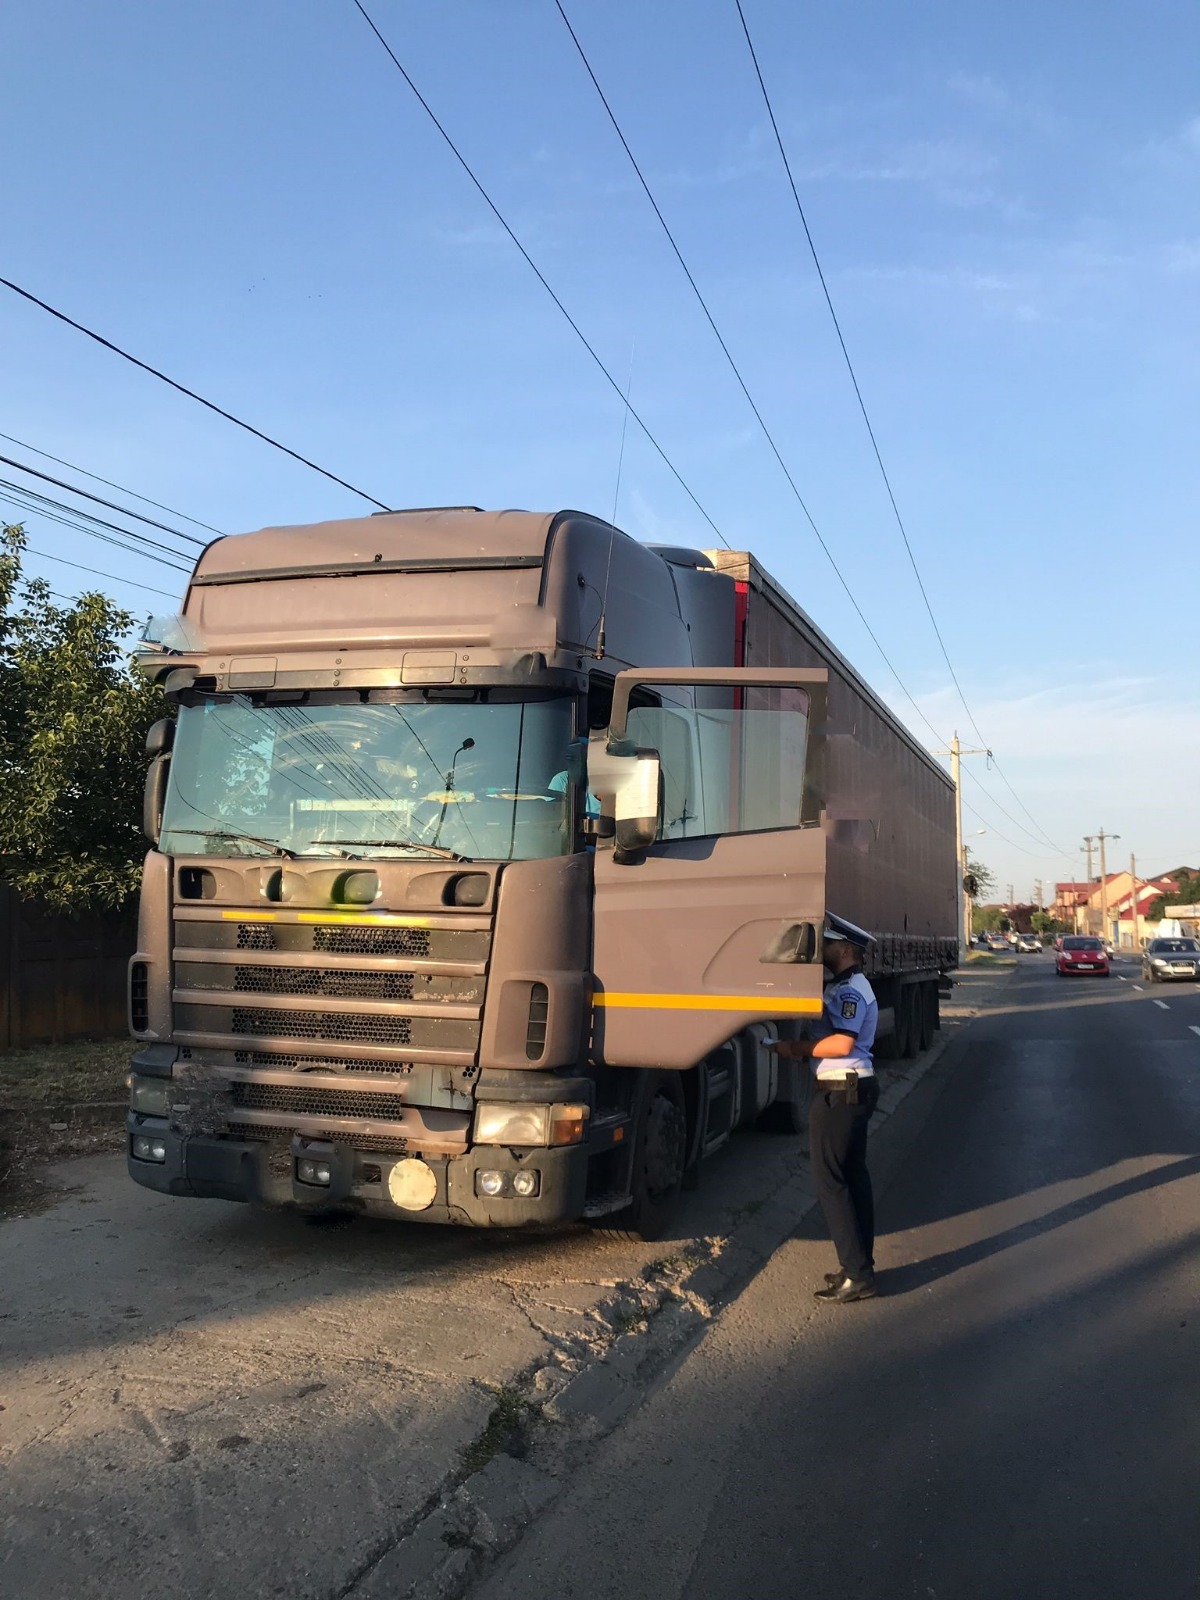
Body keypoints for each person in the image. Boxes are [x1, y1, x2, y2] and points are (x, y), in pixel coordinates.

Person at [767, 914, 880, 1304]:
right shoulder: (846, 986)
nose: (822, 948)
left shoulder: (850, 990)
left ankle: (857, 1275)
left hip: (840, 1091)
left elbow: (842, 1043)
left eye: (828, 942)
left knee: (832, 1183)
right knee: (852, 1178)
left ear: (845, 949)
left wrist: (793, 1049)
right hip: (850, 1089)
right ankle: (859, 1268)